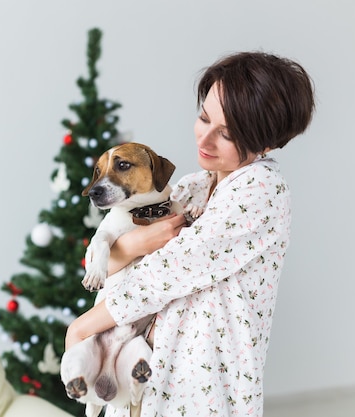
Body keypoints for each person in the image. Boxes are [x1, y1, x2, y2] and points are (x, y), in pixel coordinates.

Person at [65, 51, 315, 417]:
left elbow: (171, 270)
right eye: (203, 118)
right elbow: (118, 256)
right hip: (140, 378)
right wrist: (134, 243)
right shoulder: (191, 188)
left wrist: (84, 324)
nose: (206, 139)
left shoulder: (261, 189)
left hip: (198, 389)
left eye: (227, 133)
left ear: (267, 143)